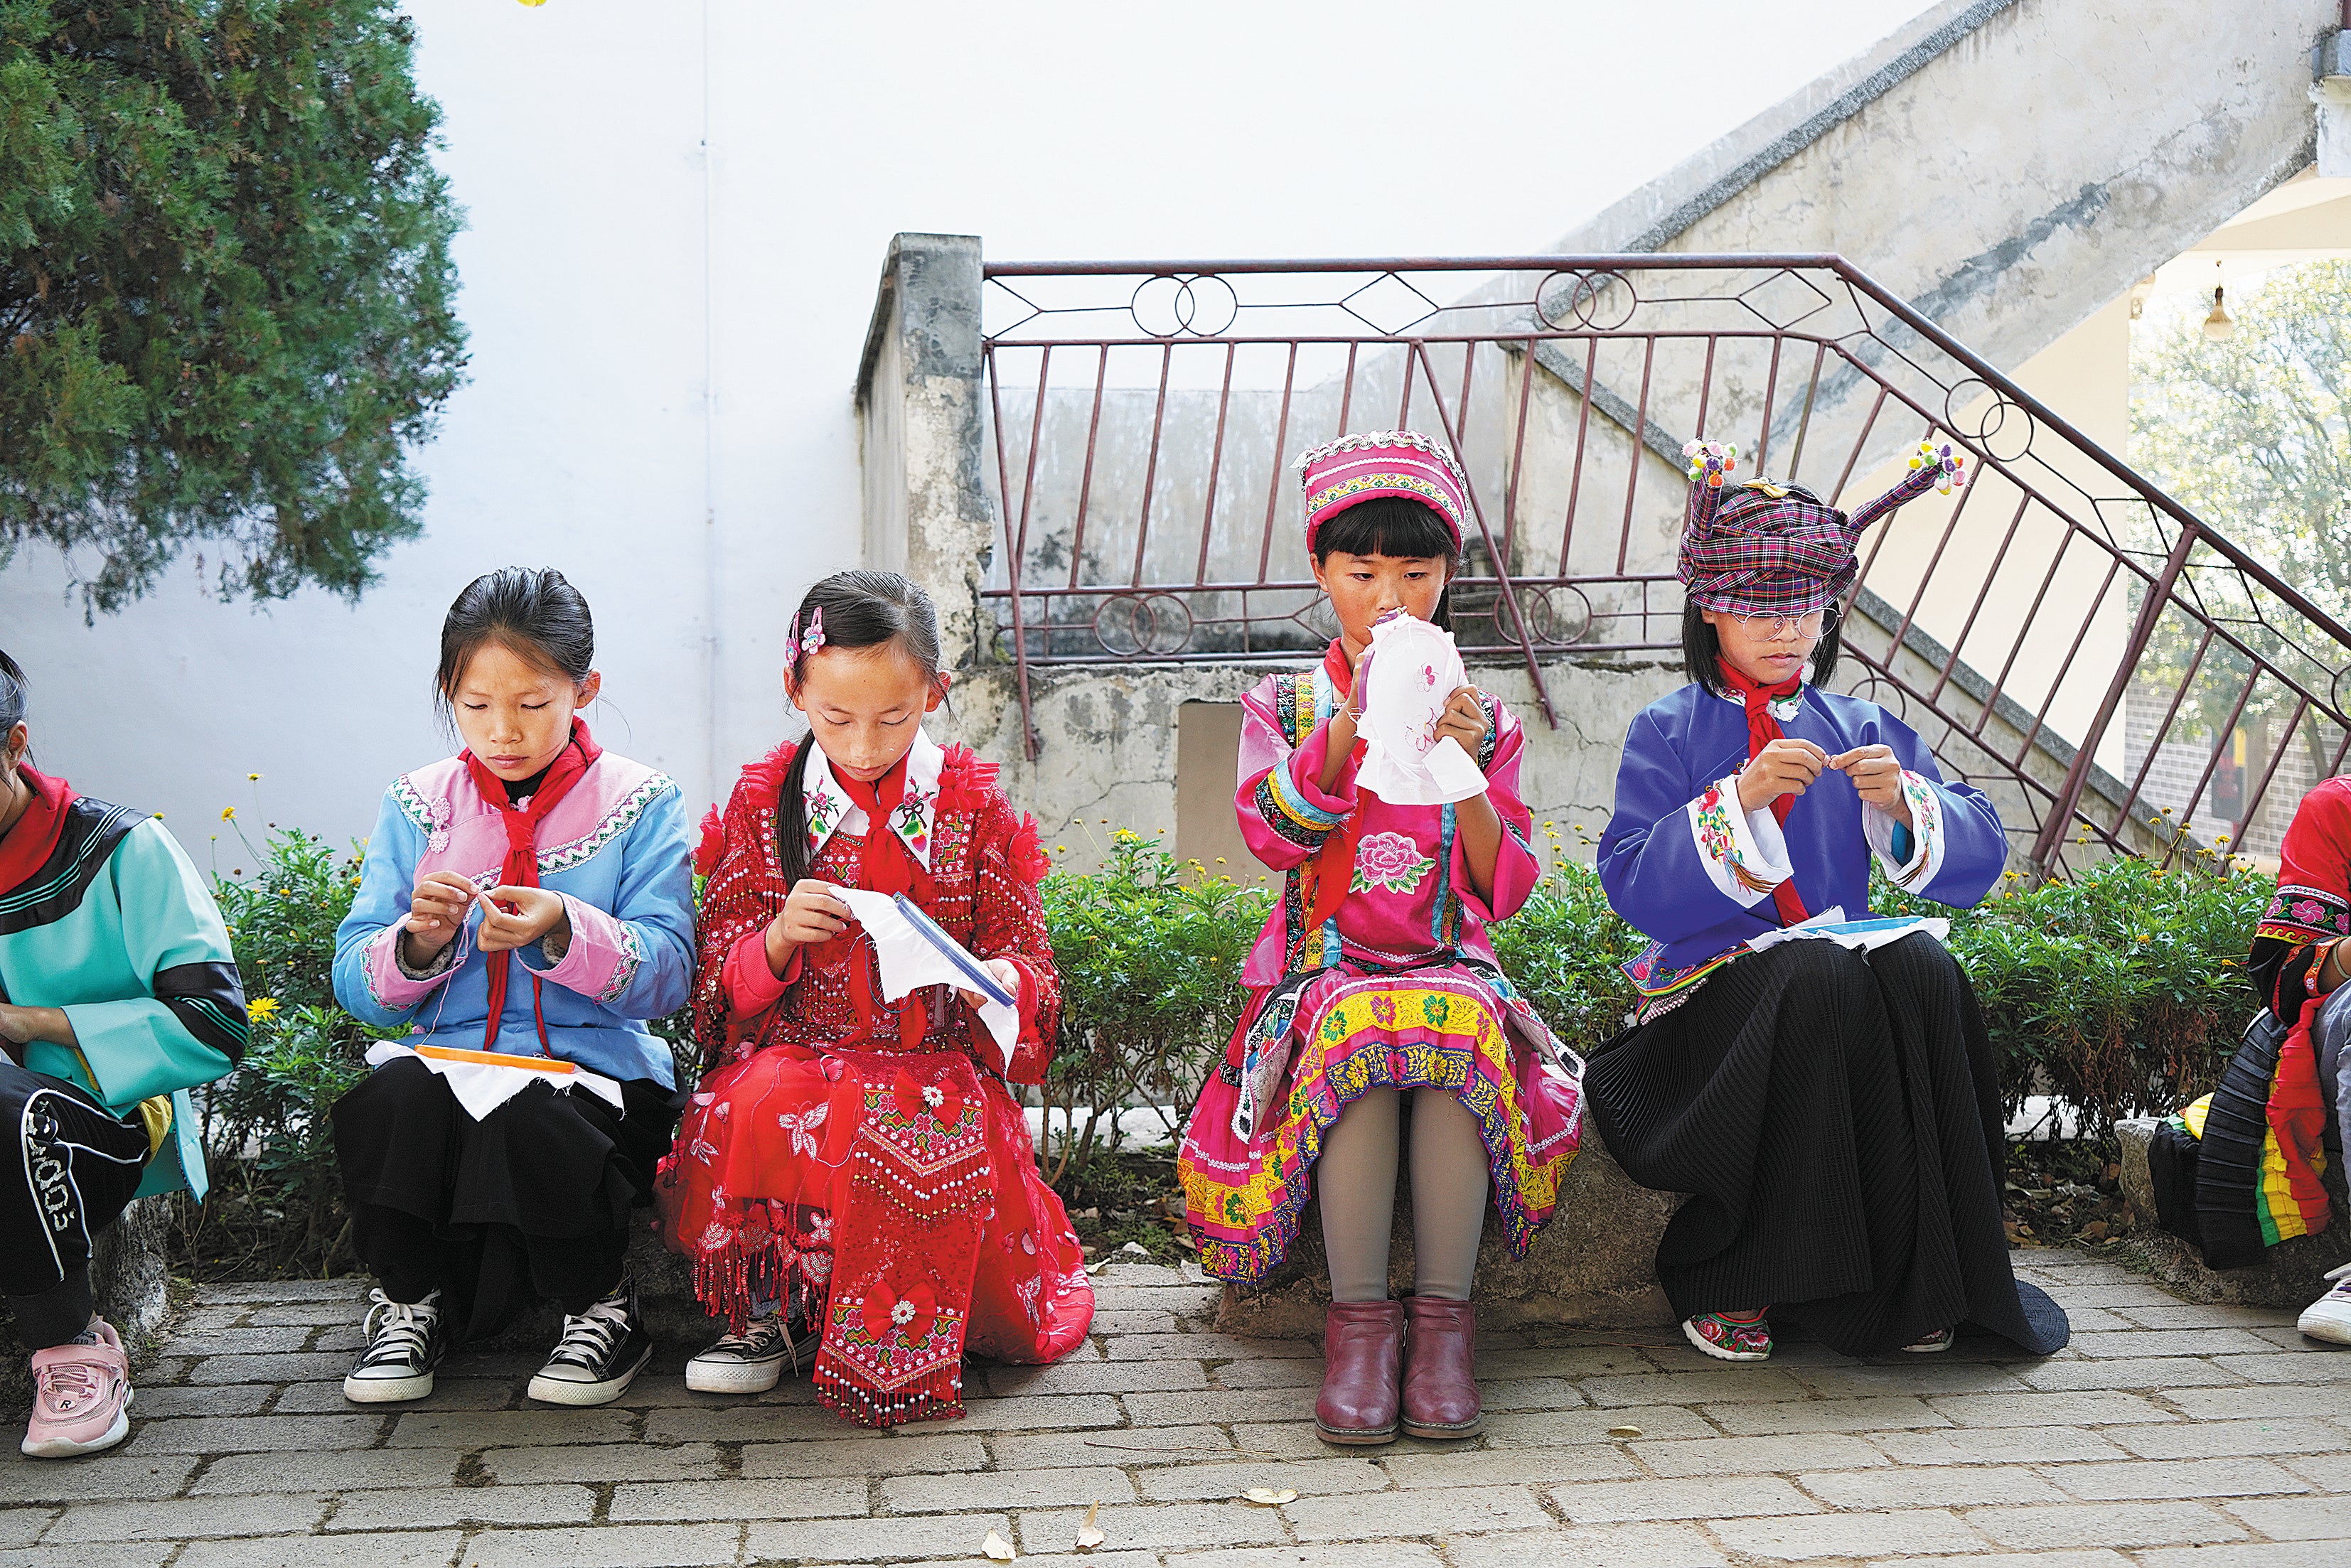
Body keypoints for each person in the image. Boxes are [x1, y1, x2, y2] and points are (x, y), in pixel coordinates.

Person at [1588, 438, 2068, 1363]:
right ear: (1707, 611)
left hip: (1824, 990)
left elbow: (1978, 856)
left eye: (1802, 605)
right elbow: (1633, 887)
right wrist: (1740, 799)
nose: (1783, 629)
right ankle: (1736, 1274)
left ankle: (1923, 1281)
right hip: (1705, 1014)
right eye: (1756, 607)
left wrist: (1899, 801)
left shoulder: (1860, 726)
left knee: (1921, 965)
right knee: (1816, 974)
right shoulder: (1667, 729)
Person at [1179, 431, 1585, 1447]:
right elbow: (1263, 834)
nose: (1391, 594)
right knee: (1361, 1023)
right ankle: (1358, 1326)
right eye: (1362, 571)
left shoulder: (1481, 712)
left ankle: (1443, 1325)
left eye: (1416, 570)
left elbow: (1504, 885)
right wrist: (1346, 729)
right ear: (1322, 573)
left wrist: (1462, 768)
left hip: (1450, 957)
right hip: (1322, 964)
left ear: (1447, 575)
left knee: (1447, 1017)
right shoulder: (1279, 703)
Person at [661, 569, 1091, 1427]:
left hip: (936, 1063)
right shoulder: (763, 802)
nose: (863, 745)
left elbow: (1032, 967)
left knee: (920, 1116)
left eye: (894, 717)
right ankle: (774, 1309)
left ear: (933, 690)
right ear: (796, 690)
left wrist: (1003, 981)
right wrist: (779, 939)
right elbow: (713, 992)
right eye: (836, 717)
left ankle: (891, 1321)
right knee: (759, 1101)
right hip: (799, 1057)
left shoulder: (975, 807)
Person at [330, 569, 694, 1407]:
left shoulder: (641, 803)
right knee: (393, 1100)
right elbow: (356, 976)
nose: (503, 730)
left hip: (591, 1079)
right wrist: (417, 942)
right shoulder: (416, 805)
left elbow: (670, 972)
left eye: (532, 703)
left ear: (584, 690)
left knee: (535, 1115)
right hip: (449, 1066)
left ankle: (600, 1306)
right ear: (449, 695)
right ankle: (410, 1305)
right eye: (474, 704)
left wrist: (564, 927)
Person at [0, 650, 246, 1457]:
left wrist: (31, 1022)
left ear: (15, 743)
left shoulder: (122, 850)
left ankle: (74, 1349)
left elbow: (215, 1023)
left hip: (97, 1121)